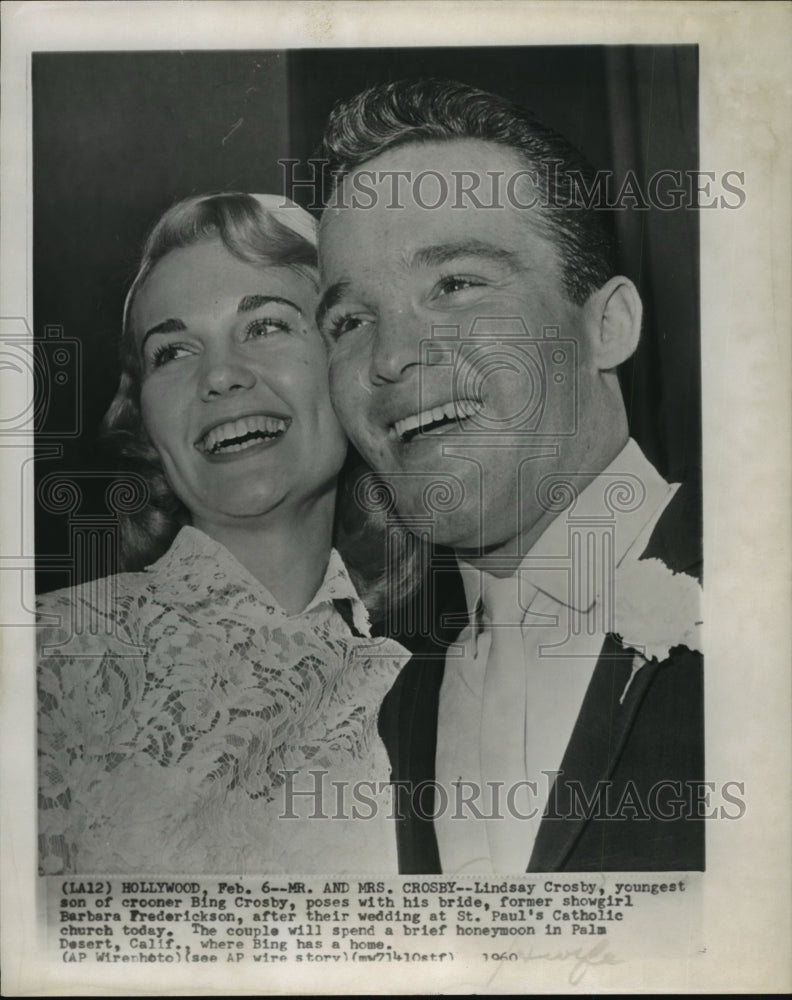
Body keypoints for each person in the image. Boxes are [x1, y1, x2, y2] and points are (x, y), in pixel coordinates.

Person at [316, 79, 704, 873]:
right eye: (350, 321)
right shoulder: (386, 703)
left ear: (607, 325)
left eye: (456, 285)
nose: (389, 358)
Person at [36, 192, 407, 875]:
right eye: (171, 351)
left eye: (265, 326)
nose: (221, 376)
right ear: (145, 419)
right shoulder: (49, 661)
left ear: (349, 366)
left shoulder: (432, 685)